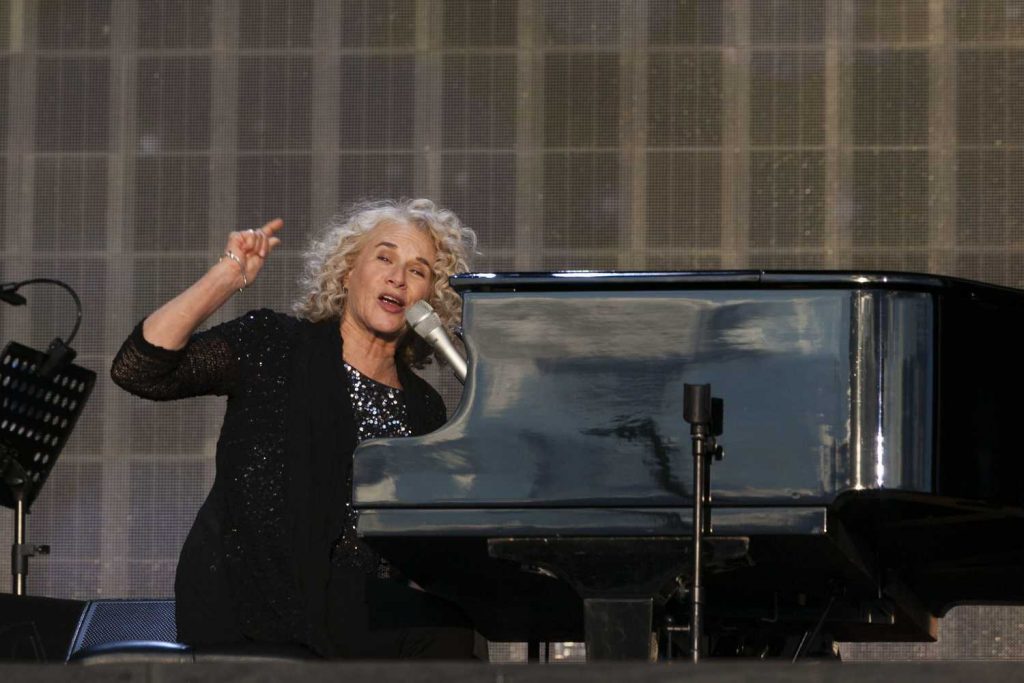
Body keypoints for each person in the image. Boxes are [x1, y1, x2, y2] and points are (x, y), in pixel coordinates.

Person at [110, 199, 478, 658]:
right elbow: (138, 370)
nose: (398, 278)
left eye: (418, 270)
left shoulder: (423, 405)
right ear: (347, 271)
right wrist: (226, 277)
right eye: (384, 257)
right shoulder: (277, 345)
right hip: (252, 594)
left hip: (355, 605)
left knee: (449, 629)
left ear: (429, 296)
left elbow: (425, 535)